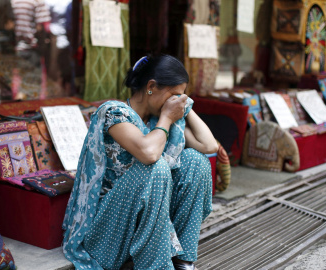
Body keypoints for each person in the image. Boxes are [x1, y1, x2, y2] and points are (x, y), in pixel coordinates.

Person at [63, 54, 218, 270]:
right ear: (151, 86)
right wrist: (166, 117)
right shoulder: (114, 113)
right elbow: (148, 153)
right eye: (173, 95)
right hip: (108, 235)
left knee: (196, 161)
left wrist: (186, 107)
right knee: (156, 167)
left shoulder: (161, 121)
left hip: (148, 231)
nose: (176, 102)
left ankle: (183, 261)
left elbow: (209, 146)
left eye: (181, 96)